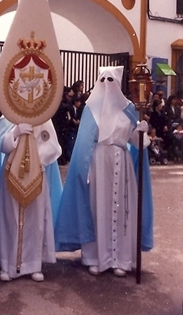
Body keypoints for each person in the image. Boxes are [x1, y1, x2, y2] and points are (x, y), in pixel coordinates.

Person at [55, 66, 153, 277]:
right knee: (97, 207)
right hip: (97, 165)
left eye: (111, 80)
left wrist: (142, 131)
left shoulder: (129, 110)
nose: (107, 84)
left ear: (118, 82)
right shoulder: (91, 109)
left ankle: (120, 259)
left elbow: (136, 141)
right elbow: (84, 143)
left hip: (121, 162)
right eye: (103, 79)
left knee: (121, 208)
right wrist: (85, 169)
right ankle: (96, 258)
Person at [0, 116, 63, 282]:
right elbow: (1, 146)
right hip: (11, 174)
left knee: (35, 219)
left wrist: (36, 158)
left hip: (37, 173)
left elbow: (53, 147)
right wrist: (14, 133)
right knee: (9, 217)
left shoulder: (44, 118)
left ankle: (33, 264)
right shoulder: (7, 118)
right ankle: (7, 264)